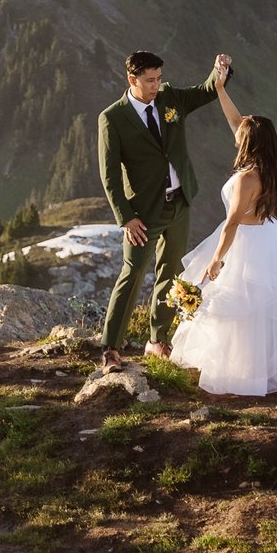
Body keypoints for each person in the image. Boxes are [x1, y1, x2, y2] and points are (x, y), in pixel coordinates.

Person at [168, 78, 277, 397]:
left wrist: (216, 259)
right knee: (268, 307)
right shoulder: (269, 171)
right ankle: (269, 364)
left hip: (245, 241)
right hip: (267, 238)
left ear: (248, 143)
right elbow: (237, 122)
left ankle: (245, 373)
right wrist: (220, 89)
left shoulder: (246, 178)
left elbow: (232, 222)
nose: (236, 134)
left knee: (243, 306)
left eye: (241, 135)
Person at [96, 48, 229, 368]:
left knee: (171, 273)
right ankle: (110, 349)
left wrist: (219, 74)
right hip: (142, 214)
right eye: (150, 80)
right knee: (133, 274)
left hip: (179, 204)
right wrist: (126, 217)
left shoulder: (169, 98)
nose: (156, 85)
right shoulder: (112, 118)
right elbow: (109, 174)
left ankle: (157, 341)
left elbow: (204, 92)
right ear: (132, 79)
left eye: (159, 78)